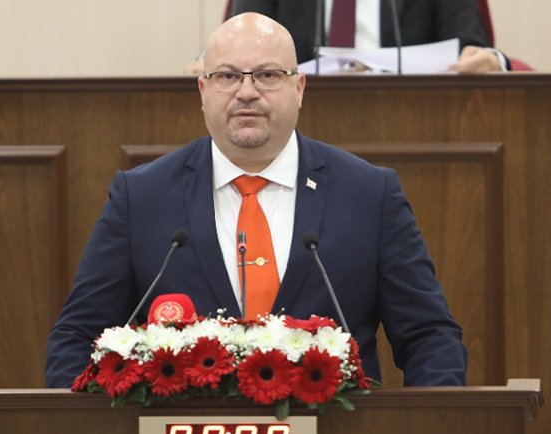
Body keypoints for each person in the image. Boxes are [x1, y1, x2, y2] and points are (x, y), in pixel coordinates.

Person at [45, 12, 467, 389]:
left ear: (299, 87)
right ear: (203, 90)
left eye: (267, 75)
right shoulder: (141, 197)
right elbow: (78, 338)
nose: (247, 92)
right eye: (227, 76)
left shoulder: (370, 194)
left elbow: (430, 337)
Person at [228, 0, 509, 72]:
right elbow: (241, 41)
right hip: (300, 119)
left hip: (413, 117)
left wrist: (488, 60)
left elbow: (470, 48)